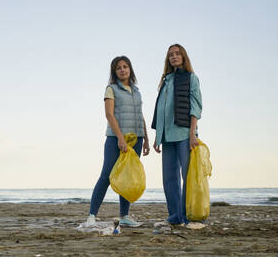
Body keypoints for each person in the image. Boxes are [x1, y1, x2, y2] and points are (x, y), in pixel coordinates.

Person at [85, 56, 150, 227]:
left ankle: (125, 216)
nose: (122, 70)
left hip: (136, 138)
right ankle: (91, 216)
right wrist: (120, 138)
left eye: (125, 66)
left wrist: (146, 139)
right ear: (114, 72)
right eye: (119, 68)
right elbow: (109, 114)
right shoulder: (111, 89)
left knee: (128, 177)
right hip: (116, 139)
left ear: (130, 69)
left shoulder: (136, 91)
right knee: (106, 176)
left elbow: (140, 115)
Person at [152, 44, 203, 229]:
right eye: (170, 55)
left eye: (177, 54)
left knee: (187, 176)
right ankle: (175, 217)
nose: (174, 57)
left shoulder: (191, 78)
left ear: (183, 57)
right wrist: (158, 135)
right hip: (167, 136)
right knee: (169, 179)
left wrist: (192, 134)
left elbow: (196, 106)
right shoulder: (166, 80)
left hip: (184, 134)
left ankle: (189, 217)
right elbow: (161, 110)